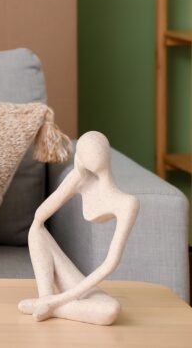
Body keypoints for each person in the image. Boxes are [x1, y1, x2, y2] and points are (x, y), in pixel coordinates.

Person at [18, 131, 139, 325]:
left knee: (110, 311)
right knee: (36, 230)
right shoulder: (81, 179)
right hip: (67, 288)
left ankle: (49, 306)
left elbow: (110, 264)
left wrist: (58, 300)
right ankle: (45, 298)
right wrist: (76, 175)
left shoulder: (127, 203)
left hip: (82, 286)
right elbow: (39, 216)